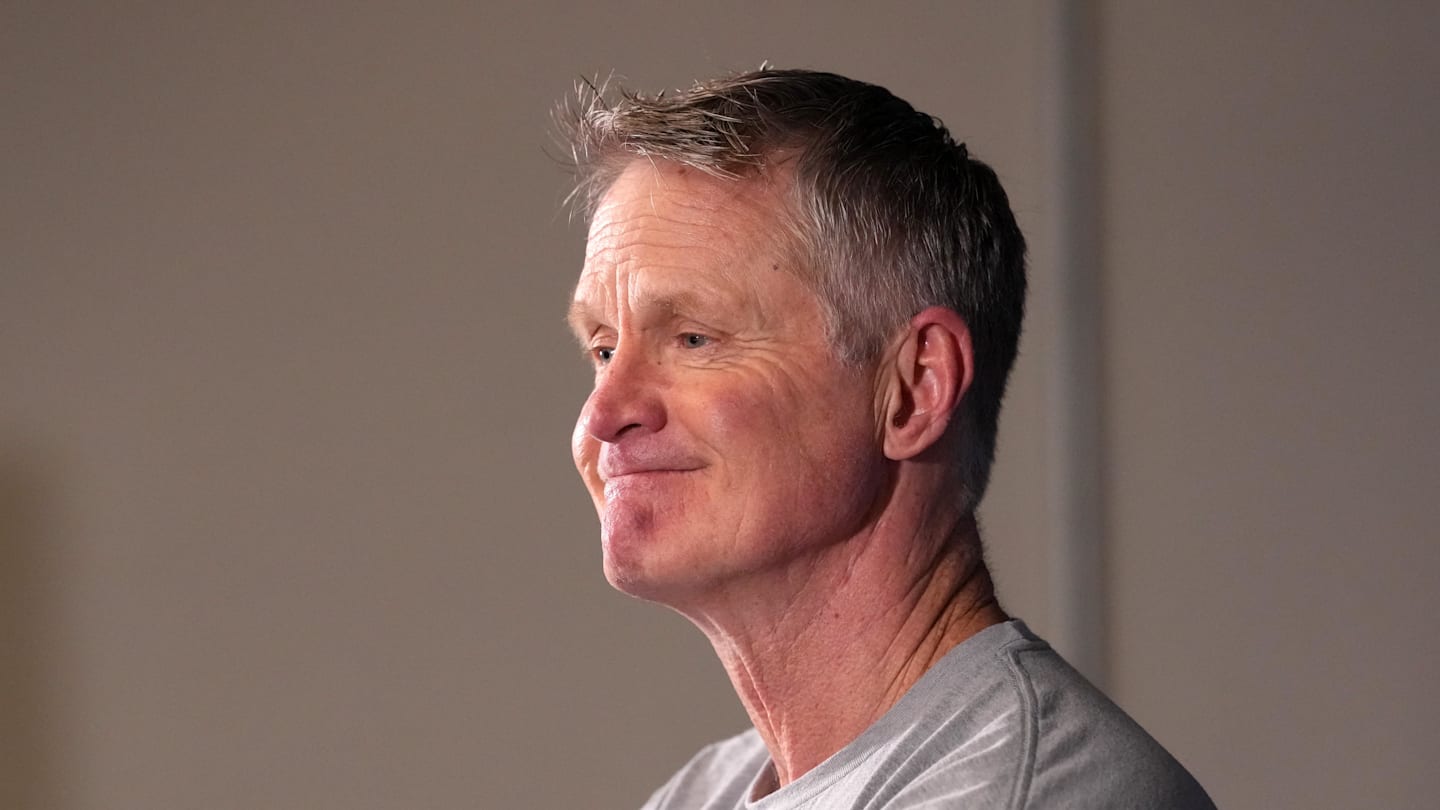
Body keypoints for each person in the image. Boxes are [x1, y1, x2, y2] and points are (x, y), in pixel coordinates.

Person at [560, 68, 1214, 810]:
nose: (602, 415)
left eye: (693, 339)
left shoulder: (1028, 794)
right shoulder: (701, 794)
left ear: (915, 387)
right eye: (603, 349)